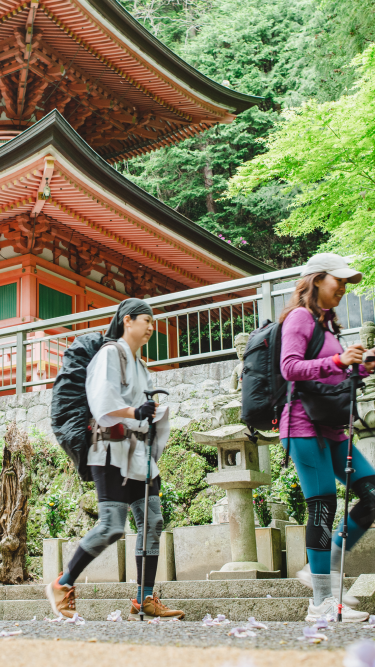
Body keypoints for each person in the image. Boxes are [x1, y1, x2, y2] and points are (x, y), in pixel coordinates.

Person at [45, 298, 185, 621]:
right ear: (127, 321)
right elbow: (103, 405)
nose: (152, 327)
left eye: (153, 322)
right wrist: (136, 412)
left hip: (140, 455)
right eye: (146, 320)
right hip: (109, 450)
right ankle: (62, 584)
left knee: (152, 522)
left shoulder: (139, 364)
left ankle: (144, 597)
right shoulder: (110, 354)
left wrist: (152, 416)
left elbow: (140, 412)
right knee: (111, 526)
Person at [279, 253, 375, 622]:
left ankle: (324, 571)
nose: (344, 288)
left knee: (371, 496)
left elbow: (332, 378)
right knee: (322, 505)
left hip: (333, 426)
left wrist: (360, 367)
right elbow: (290, 367)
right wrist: (338, 362)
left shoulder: (328, 325)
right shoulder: (300, 318)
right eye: (340, 281)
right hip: (303, 425)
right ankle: (321, 602)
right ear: (318, 279)